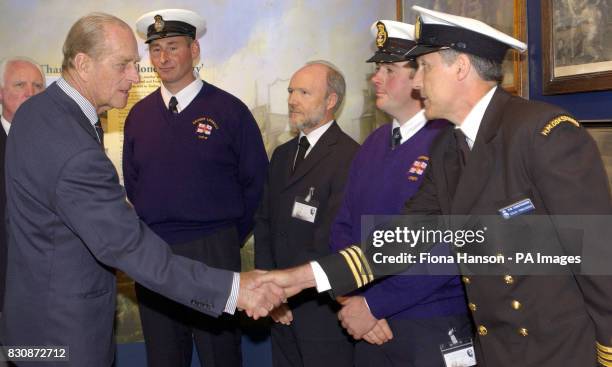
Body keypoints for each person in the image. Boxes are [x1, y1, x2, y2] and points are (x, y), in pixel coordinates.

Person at [258, 6, 612, 367]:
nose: (416, 82)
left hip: (559, 349)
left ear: (460, 67)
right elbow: (402, 240)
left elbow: (599, 258)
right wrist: (299, 278)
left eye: (424, 67)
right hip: (498, 345)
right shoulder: (448, 148)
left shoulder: (541, 133)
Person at [0, 13, 282, 367]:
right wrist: (233, 290)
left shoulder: (35, 113)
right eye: (124, 65)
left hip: (33, 327)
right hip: (65, 339)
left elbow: (255, 183)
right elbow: (125, 240)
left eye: (135, 64)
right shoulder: (74, 145)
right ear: (83, 64)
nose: (136, 76)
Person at [124, 9, 268, 367]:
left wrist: (226, 236)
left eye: (173, 47)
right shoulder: (138, 116)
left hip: (214, 251)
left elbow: (257, 184)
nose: (163, 58)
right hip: (156, 253)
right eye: (155, 50)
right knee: (163, 356)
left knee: (220, 356)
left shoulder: (230, 111)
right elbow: (134, 183)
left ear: (195, 50)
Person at [329, 20, 471, 366]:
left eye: (388, 69)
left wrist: (376, 304)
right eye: (377, 69)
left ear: (418, 77)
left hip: (431, 324)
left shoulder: (452, 142)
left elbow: (451, 247)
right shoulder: (373, 143)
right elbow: (345, 225)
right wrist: (352, 297)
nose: (376, 78)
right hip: (367, 325)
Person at [254, 61, 359, 367]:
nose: (291, 100)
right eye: (290, 91)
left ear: (330, 101)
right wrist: (271, 291)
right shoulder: (282, 154)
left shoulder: (350, 157)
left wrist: (289, 289)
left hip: (322, 311)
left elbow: (335, 238)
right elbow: (264, 224)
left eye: (303, 92)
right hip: (279, 307)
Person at [0, 57, 45, 319]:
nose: (30, 93)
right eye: (20, 85)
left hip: (45, 291)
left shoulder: (57, 145)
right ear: (2, 93)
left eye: (38, 86)